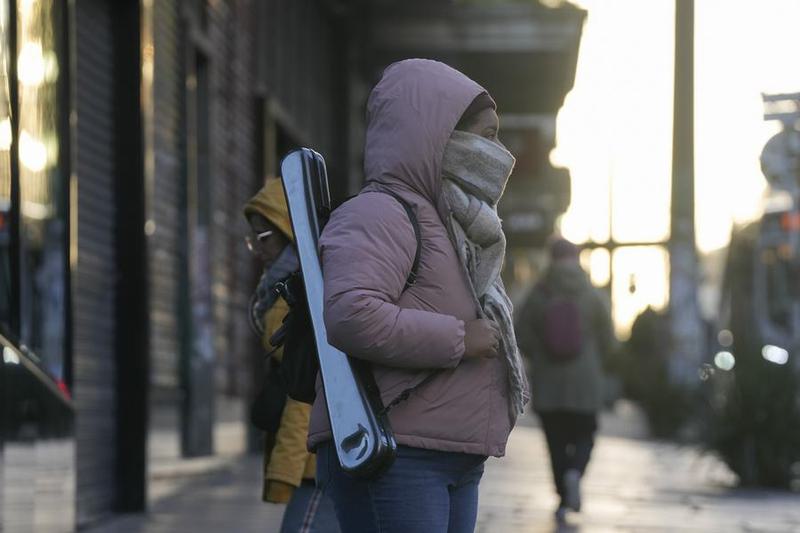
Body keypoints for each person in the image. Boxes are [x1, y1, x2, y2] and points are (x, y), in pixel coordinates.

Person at [307, 59, 529, 533]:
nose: (498, 153)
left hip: (452, 453)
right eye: (486, 137)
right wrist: (459, 337)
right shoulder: (378, 213)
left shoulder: (456, 224)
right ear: (437, 135)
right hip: (398, 453)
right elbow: (351, 314)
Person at [243, 179, 340, 533]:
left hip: (317, 458)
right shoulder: (287, 285)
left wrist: (285, 470)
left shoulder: (302, 292)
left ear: (289, 232)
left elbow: (306, 393)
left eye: (264, 237)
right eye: (252, 239)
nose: (257, 249)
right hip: (319, 453)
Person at [516, 238, 616, 523]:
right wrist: (595, 358)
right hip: (585, 381)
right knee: (586, 434)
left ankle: (562, 498)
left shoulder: (539, 292)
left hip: (549, 383)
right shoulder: (591, 293)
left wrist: (539, 354)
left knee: (555, 442)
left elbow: (520, 333)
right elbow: (609, 338)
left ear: (551, 258)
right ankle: (575, 473)